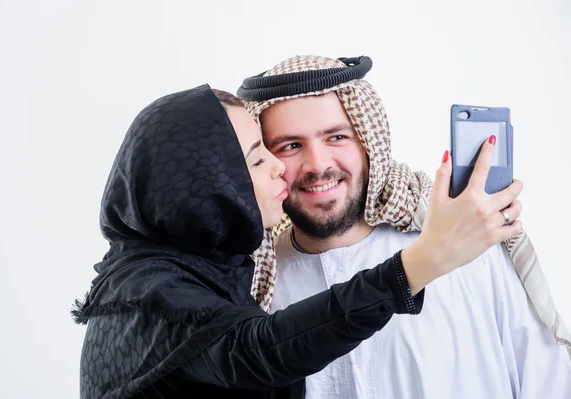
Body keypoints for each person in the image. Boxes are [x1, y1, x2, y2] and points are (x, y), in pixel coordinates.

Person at [73, 84, 527, 399]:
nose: (284, 169)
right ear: (207, 182)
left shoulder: (218, 272)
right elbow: (258, 351)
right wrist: (425, 261)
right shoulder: (147, 291)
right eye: (264, 155)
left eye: (336, 137)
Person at [237, 55, 571, 398]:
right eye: (290, 146)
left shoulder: (466, 249)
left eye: (337, 137)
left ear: (369, 143)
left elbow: (546, 381)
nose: (318, 165)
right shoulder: (257, 286)